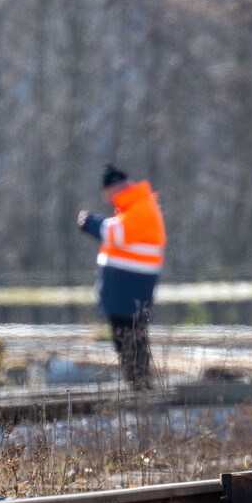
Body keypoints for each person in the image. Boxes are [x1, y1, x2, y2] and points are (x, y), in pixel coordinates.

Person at [78, 164, 164, 390]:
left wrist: (90, 222)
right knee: (129, 338)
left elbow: (113, 233)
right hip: (126, 288)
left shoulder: (140, 208)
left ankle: (140, 386)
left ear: (114, 188)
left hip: (130, 288)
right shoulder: (133, 209)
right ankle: (139, 385)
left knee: (129, 338)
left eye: (107, 194)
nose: (107, 199)